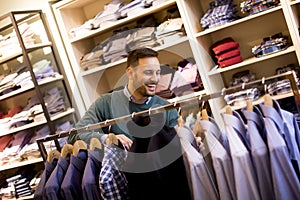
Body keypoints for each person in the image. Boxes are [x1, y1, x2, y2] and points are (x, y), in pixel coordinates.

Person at [68, 48, 179, 149]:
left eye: (158, 73)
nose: (155, 79)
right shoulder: (105, 103)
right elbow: (74, 136)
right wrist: (108, 138)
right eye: (148, 72)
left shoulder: (167, 108)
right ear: (130, 73)